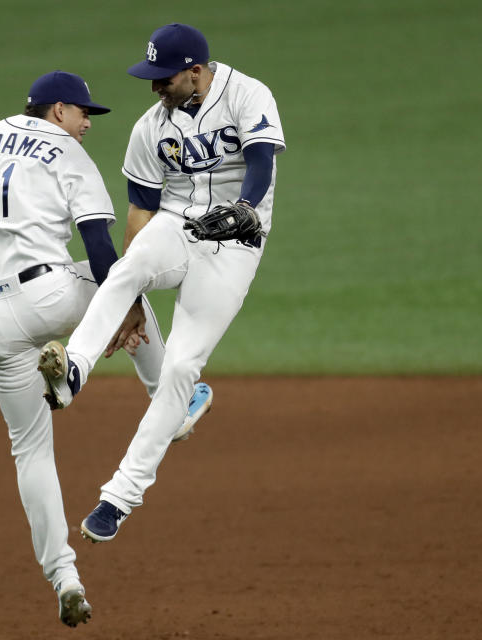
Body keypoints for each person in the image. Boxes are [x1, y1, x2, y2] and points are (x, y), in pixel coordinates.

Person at [0, 70, 212, 627]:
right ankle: (174, 403)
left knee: (29, 449)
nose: (86, 126)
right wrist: (122, 306)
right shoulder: (71, 158)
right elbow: (101, 247)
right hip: (52, 295)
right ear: (57, 111)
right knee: (131, 278)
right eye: (82, 115)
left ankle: (64, 578)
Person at [38, 23, 285, 544]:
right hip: (176, 226)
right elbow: (140, 211)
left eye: (162, 77)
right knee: (125, 270)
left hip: (235, 246)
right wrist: (131, 301)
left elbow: (261, 161)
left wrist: (244, 209)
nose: (154, 87)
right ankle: (72, 372)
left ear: (195, 71)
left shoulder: (247, 94)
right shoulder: (152, 128)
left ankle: (118, 499)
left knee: (180, 368)